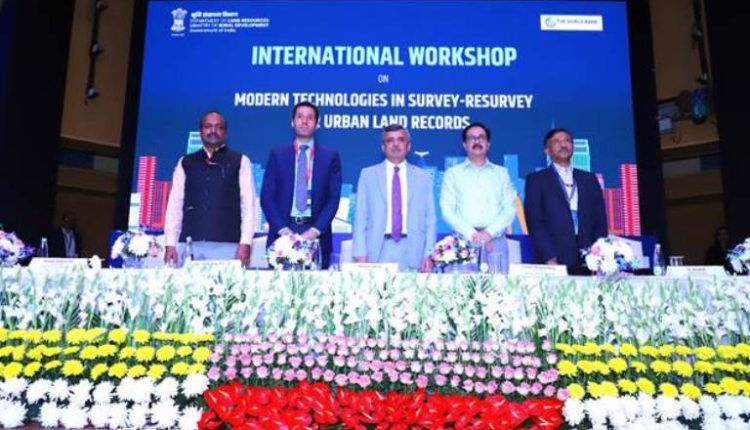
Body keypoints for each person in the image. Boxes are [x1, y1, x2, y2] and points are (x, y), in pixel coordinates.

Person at [163, 111, 255, 266]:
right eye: (208, 127)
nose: (213, 131)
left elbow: (248, 205)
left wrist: (246, 242)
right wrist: (170, 242)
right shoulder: (186, 162)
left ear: (225, 133)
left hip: (229, 246)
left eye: (219, 127)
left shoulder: (240, 161)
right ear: (201, 131)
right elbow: (175, 204)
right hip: (189, 245)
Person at [260, 101, 342, 268]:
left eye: (310, 118)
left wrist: (314, 232)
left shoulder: (330, 157)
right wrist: (284, 231)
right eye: (300, 117)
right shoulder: (278, 155)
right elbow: (267, 197)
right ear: (292, 122)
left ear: (317, 124)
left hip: (316, 232)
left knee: (316, 284)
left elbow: (333, 199)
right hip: (283, 232)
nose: (304, 121)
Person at [352, 124, 436, 272]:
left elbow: (430, 218)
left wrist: (429, 254)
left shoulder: (423, 177)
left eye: (401, 140)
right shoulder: (368, 175)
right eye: (390, 140)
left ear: (408, 146)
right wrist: (360, 254)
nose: (396, 144)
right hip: (376, 251)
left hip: (413, 250)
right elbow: (360, 217)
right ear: (383, 147)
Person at [524, 127, 607, 273]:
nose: (563, 145)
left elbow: (600, 220)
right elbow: (535, 223)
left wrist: (599, 254)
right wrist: (549, 257)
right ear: (547, 150)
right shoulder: (536, 180)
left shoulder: (589, 179)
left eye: (567, 141)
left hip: (589, 257)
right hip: (554, 257)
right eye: (557, 142)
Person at [440, 122, 517, 271]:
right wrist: (473, 234)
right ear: (464, 145)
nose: (477, 141)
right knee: (459, 286)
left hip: (494, 242)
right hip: (462, 242)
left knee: (498, 286)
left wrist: (489, 233)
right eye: (471, 138)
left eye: (481, 137)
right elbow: (447, 211)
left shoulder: (501, 173)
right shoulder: (453, 174)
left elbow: (510, 209)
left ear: (488, 144)